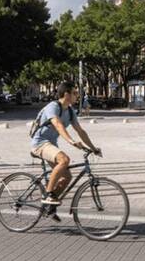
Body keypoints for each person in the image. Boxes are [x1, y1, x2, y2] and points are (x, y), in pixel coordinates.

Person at [30, 82, 100, 219]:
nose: (77, 95)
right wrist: (71, 141)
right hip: (39, 143)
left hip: (51, 144)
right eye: (75, 93)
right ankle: (49, 195)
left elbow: (80, 131)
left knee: (67, 176)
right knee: (64, 159)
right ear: (66, 94)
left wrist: (93, 148)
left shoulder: (69, 111)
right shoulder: (53, 107)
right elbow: (58, 124)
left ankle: (49, 208)